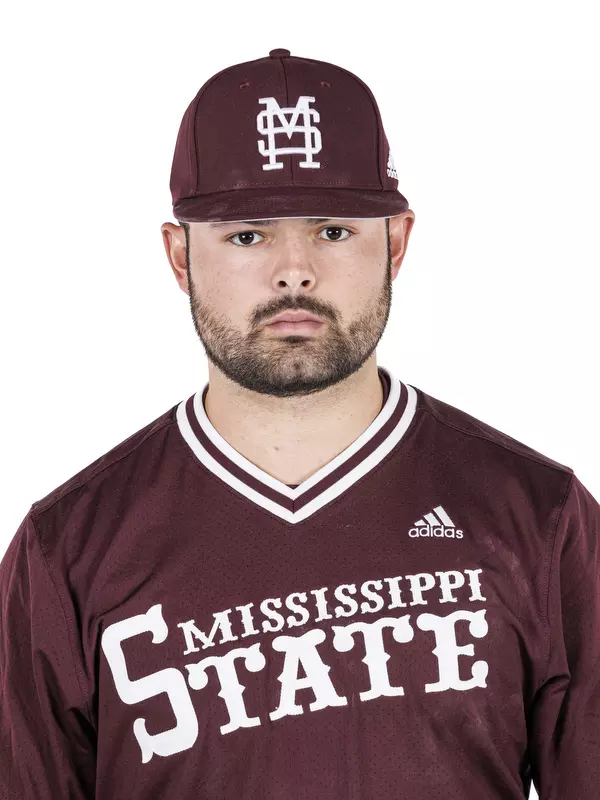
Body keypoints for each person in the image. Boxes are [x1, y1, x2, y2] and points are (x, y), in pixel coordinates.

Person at [0, 48, 598, 800]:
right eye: (247, 235)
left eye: (334, 231)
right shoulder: (67, 550)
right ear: (180, 256)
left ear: (398, 242)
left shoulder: (540, 517)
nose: (294, 271)